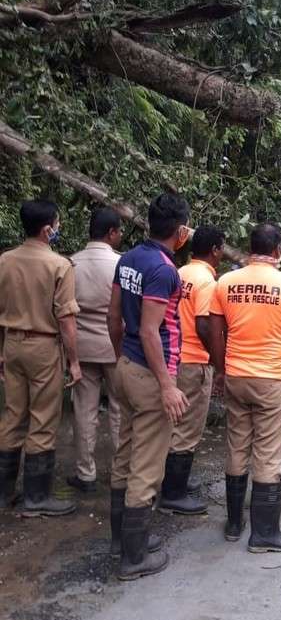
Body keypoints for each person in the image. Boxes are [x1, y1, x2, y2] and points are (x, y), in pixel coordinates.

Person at [209, 223, 281, 553]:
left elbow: (215, 334)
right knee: (267, 455)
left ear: (249, 247)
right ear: (278, 249)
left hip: (236, 377)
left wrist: (221, 370)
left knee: (237, 447)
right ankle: (264, 534)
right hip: (270, 380)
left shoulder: (225, 282)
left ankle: (234, 524)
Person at [107, 193, 190, 581]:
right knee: (146, 464)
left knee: (125, 450)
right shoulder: (163, 269)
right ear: (180, 231)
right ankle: (134, 558)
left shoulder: (129, 259)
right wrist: (166, 386)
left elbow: (114, 316)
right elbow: (150, 331)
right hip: (149, 372)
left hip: (125, 365)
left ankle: (120, 539)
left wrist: (121, 357)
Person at [0, 200, 81, 517]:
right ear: (48, 229)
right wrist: (73, 361)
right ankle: (36, 498)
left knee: (12, 415)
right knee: (44, 418)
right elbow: (66, 321)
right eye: (57, 224)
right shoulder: (59, 266)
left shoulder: (4, 261)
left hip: (12, 345)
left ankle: (4, 493)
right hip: (44, 347)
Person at [159, 225, 225, 515]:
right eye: (222, 248)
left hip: (172, 357)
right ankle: (173, 494)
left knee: (170, 424)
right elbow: (203, 325)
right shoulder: (207, 282)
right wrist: (217, 361)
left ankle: (171, 483)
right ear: (214, 250)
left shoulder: (179, 272)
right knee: (188, 427)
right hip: (194, 361)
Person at [68, 208, 124, 493]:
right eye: (119, 231)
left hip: (81, 346)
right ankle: (120, 472)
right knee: (119, 409)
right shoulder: (121, 264)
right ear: (111, 233)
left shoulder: (72, 264)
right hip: (116, 347)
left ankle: (85, 473)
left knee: (84, 410)